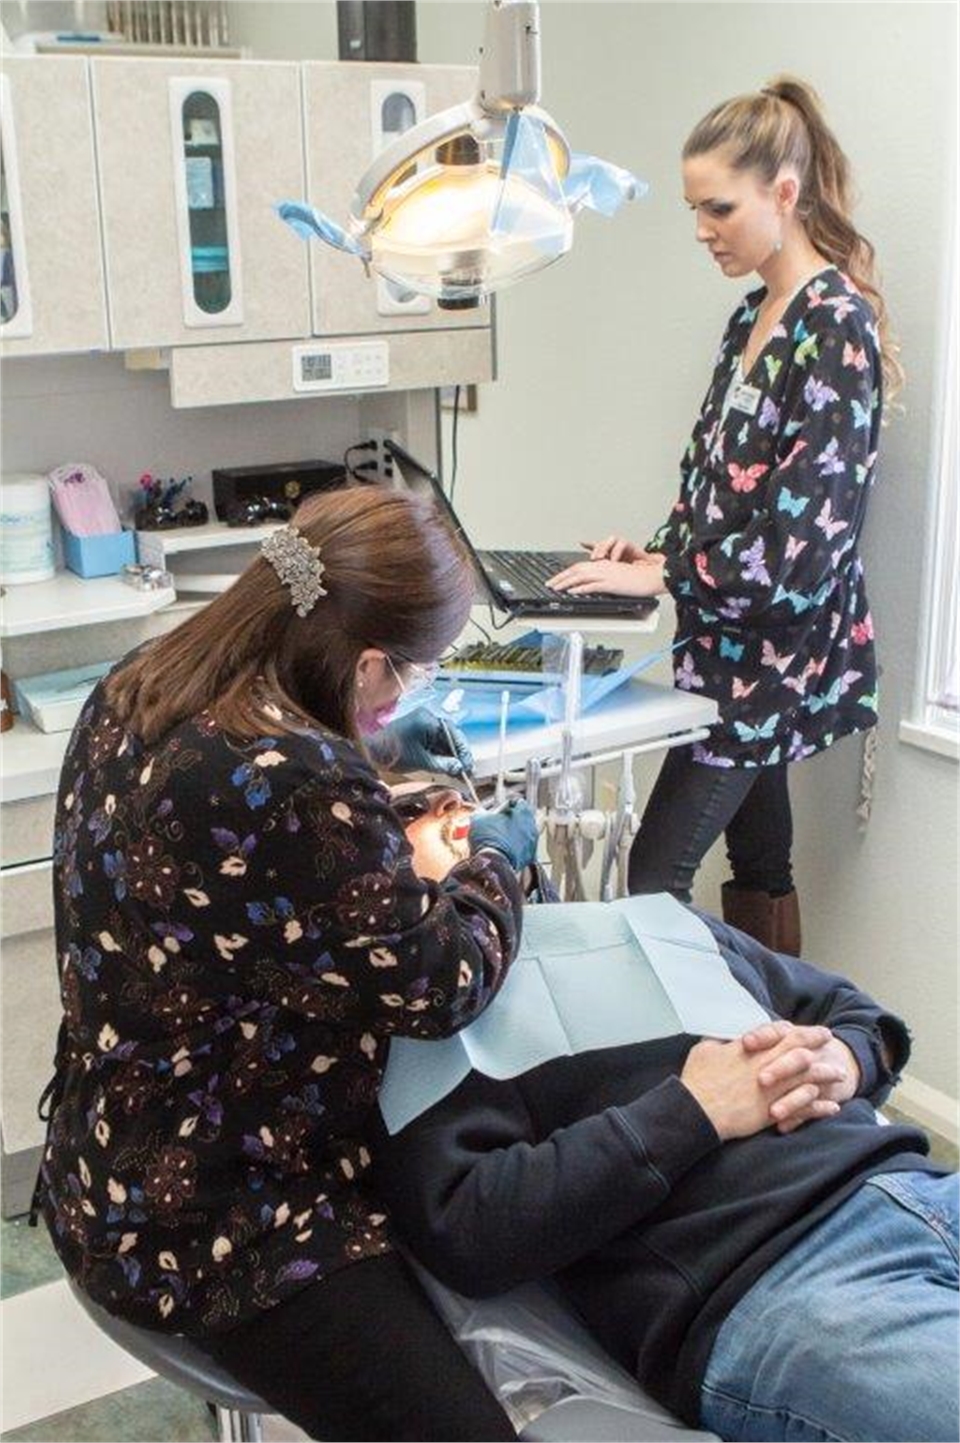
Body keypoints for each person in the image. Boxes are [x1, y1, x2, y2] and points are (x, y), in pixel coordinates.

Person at [34, 485, 541, 1442]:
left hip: (101, 1158)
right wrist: (494, 863)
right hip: (216, 1216)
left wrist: (371, 789)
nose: (405, 700)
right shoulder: (303, 785)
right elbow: (443, 983)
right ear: (370, 659)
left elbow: (238, 886)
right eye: (414, 676)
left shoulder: (141, 679)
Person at [368, 899, 958, 1443]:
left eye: (460, 798)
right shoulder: (431, 1028)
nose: (459, 814)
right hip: (785, 1279)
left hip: (914, 1184)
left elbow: (857, 1015)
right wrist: (693, 1111)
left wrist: (847, 1059)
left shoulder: (657, 920)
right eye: (423, 803)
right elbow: (468, 1229)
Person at [548, 77, 902, 954]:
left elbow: (800, 554)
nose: (702, 229)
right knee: (761, 862)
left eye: (718, 207)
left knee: (650, 879)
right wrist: (655, 547)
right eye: (693, 208)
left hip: (774, 657)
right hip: (724, 644)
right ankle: (781, 1050)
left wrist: (662, 573)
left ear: (785, 192)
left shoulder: (834, 329)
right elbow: (719, 485)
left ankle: (701, 1067)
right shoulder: (752, 315)